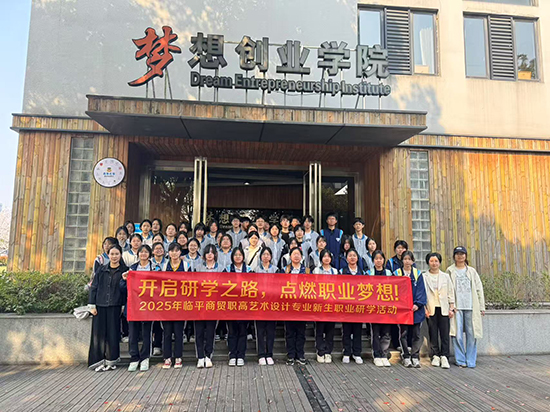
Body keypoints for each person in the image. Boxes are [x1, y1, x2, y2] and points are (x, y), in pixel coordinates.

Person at [88, 244, 128, 372]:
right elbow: (94, 287)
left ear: (120, 255)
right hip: (100, 305)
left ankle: (111, 360)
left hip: (115, 305)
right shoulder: (101, 269)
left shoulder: (125, 270)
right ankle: (97, 361)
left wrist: (123, 305)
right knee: (98, 335)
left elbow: (126, 290)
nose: (114, 256)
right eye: (112, 254)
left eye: (117, 254)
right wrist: (92, 305)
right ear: (108, 255)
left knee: (113, 333)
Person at [447, 246, 485, 369]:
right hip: (457, 307)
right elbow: (447, 289)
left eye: (462, 253)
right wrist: (450, 305)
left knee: (472, 334)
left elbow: (479, 289)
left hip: (471, 306)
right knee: (456, 334)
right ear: (454, 256)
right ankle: (460, 360)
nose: (460, 256)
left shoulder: (472, 271)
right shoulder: (450, 270)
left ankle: (471, 360)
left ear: (466, 256)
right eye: (457, 254)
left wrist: (481, 306)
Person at [120, 244, 154, 372]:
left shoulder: (155, 268)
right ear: (138, 254)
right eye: (141, 252)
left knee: (146, 333)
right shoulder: (132, 268)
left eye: (146, 252)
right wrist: (124, 280)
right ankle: (134, 358)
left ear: (149, 254)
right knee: (133, 333)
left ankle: (145, 358)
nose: (143, 254)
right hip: (134, 306)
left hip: (149, 306)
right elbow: (123, 288)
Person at [394, 251, 427, 368]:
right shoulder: (397, 273)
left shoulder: (418, 274)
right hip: (403, 310)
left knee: (416, 334)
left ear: (413, 261)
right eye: (405, 259)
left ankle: (415, 356)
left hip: (416, 309)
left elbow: (421, 290)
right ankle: (406, 356)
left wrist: (417, 304)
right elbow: (394, 291)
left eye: (409, 259)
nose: (407, 261)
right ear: (402, 260)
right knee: (403, 333)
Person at [424, 252, 455, 370]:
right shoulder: (424, 276)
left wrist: (452, 308)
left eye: (436, 261)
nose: (434, 263)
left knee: (444, 333)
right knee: (433, 333)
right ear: (428, 262)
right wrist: (424, 308)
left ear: (440, 262)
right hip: (431, 308)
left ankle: (445, 356)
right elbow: (423, 294)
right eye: (431, 261)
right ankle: (435, 355)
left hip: (444, 308)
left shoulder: (445, 276)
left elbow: (451, 292)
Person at [161, 243, 189, 369]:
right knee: (167, 332)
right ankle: (167, 357)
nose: (174, 253)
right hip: (167, 304)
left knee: (178, 331)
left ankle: (178, 357)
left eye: (177, 250)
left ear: (180, 252)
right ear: (168, 252)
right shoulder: (164, 266)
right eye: (172, 251)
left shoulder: (186, 265)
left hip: (181, 303)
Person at [194, 244, 221, 369]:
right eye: (207, 252)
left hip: (214, 306)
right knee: (199, 332)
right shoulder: (198, 268)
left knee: (210, 332)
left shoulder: (221, 268)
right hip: (199, 305)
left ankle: (208, 355)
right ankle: (200, 356)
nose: (209, 255)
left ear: (215, 254)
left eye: (212, 252)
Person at [225, 248, 252, 366]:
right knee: (232, 331)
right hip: (231, 305)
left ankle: (241, 355)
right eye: (235, 255)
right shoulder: (227, 269)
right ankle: (232, 355)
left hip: (244, 305)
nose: (238, 257)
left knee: (242, 331)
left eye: (240, 254)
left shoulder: (249, 270)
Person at [367, 250, 393, 367]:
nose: (378, 261)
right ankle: (376, 355)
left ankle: (384, 354)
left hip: (386, 308)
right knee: (375, 332)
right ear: (373, 260)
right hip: (374, 308)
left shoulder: (389, 273)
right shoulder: (369, 273)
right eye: (376, 258)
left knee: (386, 332)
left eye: (380, 258)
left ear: (383, 260)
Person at [283, 247, 309, 365]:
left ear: (302, 257)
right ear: (290, 256)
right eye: (294, 254)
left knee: (301, 332)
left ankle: (300, 354)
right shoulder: (286, 270)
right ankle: (290, 355)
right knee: (290, 332)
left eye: (298, 254)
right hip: (289, 305)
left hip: (302, 306)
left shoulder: (307, 271)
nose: (296, 256)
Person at [340, 248, 366, 364]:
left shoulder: (362, 272)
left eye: (354, 256)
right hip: (346, 306)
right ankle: (346, 352)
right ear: (346, 259)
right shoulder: (342, 271)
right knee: (346, 331)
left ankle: (357, 353)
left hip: (358, 307)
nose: (352, 258)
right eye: (350, 256)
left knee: (357, 331)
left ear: (357, 258)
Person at [313, 249, 338, 363]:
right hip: (320, 304)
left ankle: (328, 352)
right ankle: (320, 351)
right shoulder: (316, 270)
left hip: (332, 304)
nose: (326, 258)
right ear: (321, 258)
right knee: (320, 329)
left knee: (330, 330)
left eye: (328, 256)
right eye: (324, 256)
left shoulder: (335, 271)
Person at [254, 247, 277, 366]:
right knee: (260, 331)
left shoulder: (276, 270)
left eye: (268, 254)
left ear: (271, 257)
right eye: (264, 254)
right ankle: (261, 354)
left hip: (272, 305)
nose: (266, 256)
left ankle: (269, 354)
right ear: (261, 257)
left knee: (270, 331)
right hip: (259, 304)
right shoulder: (256, 270)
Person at [150, 241, 166, 356]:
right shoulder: (149, 263)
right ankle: (156, 345)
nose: (159, 250)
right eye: (156, 248)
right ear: (152, 251)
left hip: (165, 296)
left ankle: (163, 345)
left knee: (163, 321)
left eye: (161, 248)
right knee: (154, 321)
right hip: (151, 296)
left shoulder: (168, 263)